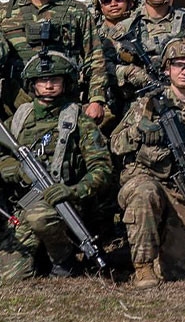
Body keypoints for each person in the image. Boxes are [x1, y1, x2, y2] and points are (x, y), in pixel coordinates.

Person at [109, 36, 185, 287]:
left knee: (176, 270)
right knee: (145, 193)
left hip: (182, 189)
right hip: (146, 178)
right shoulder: (147, 103)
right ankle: (142, 267)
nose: (184, 71)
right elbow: (115, 144)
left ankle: (153, 251)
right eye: (178, 64)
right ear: (167, 68)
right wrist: (138, 132)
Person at [0, 52, 113, 281]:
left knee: (39, 217)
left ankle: (64, 258)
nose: (49, 85)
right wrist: (16, 171)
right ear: (32, 84)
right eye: (43, 81)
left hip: (67, 203)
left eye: (55, 80)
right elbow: (2, 158)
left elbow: (102, 169)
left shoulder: (79, 119)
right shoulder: (19, 118)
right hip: (24, 204)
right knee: (11, 277)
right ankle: (44, 257)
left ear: (66, 82)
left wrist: (74, 191)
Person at [2, 0, 108, 121]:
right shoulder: (6, 14)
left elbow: (95, 58)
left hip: (65, 107)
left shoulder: (76, 12)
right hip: (16, 109)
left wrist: (96, 99)